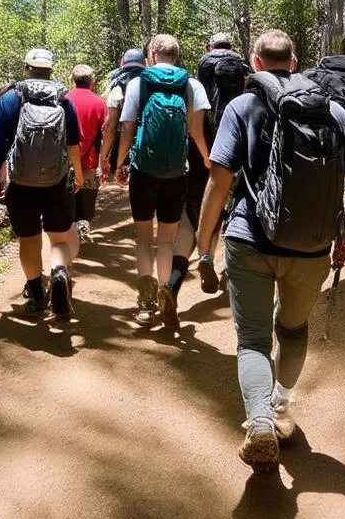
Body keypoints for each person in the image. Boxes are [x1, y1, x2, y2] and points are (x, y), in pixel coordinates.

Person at [197, 29, 345, 472]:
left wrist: (204, 242)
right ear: (295, 62)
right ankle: (281, 407)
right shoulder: (330, 109)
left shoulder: (241, 106)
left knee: (252, 340)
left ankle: (257, 422)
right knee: (293, 329)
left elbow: (218, 181)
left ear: (255, 63)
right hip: (311, 246)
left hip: (248, 239)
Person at [114, 33, 212, 329]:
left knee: (144, 238)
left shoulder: (138, 83)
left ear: (152, 55)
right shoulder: (192, 84)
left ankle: (146, 305)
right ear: (176, 55)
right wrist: (207, 159)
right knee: (167, 240)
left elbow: (129, 127)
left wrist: (119, 163)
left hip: (143, 171)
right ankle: (167, 290)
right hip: (176, 173)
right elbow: (196, 131)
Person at [0, 48, 84, 321]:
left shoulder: (11, 98)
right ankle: (60, 272)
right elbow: (73, 143)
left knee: (29, 239)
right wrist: (79, 175)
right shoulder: (64, 99)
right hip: (57, 179)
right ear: (51, 70)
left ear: (26, 67)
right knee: (60, 237)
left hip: (21, 182)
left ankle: (36, 293)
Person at [166, 33, 250, 301]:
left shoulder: (202, 66)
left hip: (204, 146)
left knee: (203, 203)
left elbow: (197, 112)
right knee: (234, 204)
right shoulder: (242, 65)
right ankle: (230, 267)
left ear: (208, 47)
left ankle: (205, 257)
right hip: (238, 141)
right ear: (232, 47)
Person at [65, 63, 107, 241]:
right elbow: (104, 134)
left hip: (65, 162)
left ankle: (71, 231)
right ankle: (82, 226)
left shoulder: (63, 99)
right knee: (87, 200)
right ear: (92, 81)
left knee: (68, 198)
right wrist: (105, 161)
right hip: (90, 161)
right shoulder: (99, 103)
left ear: (72, 79)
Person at [99, 48, 146, 180]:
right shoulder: (151, 82)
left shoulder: (117, 85)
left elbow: (112, 125)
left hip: (124, 142)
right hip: (148, 141)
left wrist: (104, 156)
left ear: (122, 63)